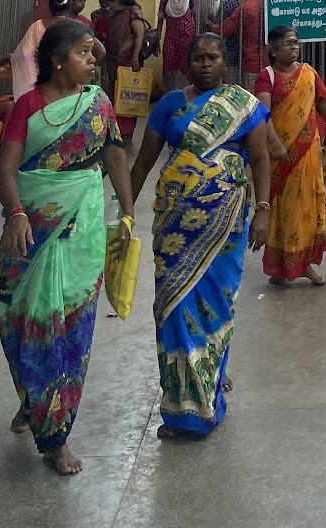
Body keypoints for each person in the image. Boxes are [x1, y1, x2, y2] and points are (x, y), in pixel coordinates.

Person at [0, 19, 134, 475]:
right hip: (30, 232)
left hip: (83, 229)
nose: (93, 60)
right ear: (58, 61)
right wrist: (16, 212)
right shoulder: (27, 106)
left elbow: (115, 155)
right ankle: (32, 400)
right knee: (22, 327)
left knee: (69, 332)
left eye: (93, 53)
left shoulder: (98, 104)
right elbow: (7, 170)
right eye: (83, 53)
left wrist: (128, 213)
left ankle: (55, 437)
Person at [129, 34, 272, 441]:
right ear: (187, 63)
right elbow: (142, 164)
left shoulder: (244, 106)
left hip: (225, 227)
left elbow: (260, 159)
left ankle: (207, 391)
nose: (205, 64)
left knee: (215, 306)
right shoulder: (170, 105)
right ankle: (182, 409)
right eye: (197, 58)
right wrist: (122, 213)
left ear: (224, 63)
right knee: (172, 307)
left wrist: (263, 212)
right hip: (174, 229)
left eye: (212, 57)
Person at [255, 25, 326, 285]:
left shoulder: (308, 73)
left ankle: (303, 264)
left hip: (307, 152)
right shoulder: (267, 77)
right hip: (280, 155)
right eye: (287, 43)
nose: (294, 47)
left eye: (296, 42)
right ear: (272, 50)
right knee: (282, 207)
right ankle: (280, 265)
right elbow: (264, 114)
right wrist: (275, 145)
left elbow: (320, 101)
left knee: (306, 204)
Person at [10, 0, 73, 99]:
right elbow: (100, 51)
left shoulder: (37, 26)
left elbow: (23, 55)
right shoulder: (75, 27)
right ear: (70, 5)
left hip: (42, 82)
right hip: (66, 80)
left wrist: (33, 77)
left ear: (49, 5)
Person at [104, 0, 147, 140]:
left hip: (128, 62)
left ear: (116, 1)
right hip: (114, 62)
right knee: (115, 96)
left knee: (128, 97)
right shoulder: (116, 15)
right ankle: (117, 131)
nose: (109, 8)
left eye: (110, 4)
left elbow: (139, 35)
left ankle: (126, 133)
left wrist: (135, 57)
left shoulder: (133, 11)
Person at [219, 0, 266, 89]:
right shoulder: (267, 1)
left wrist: (209, 26)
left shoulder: (246, 7)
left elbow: (225, 29)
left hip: (252, 62)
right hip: (269, 61)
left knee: (252, 101)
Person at [154, 0, 197, 93]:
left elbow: (195, 19)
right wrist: (158, 38)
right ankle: (169, 92)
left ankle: (185, 92)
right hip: (170, 38)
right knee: (168, 64)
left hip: (186, 37)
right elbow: (160, 20)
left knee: (184, 65)